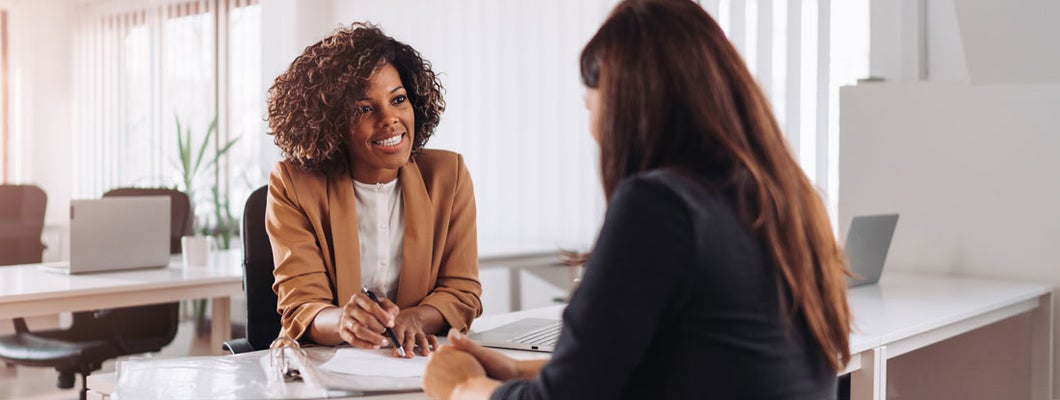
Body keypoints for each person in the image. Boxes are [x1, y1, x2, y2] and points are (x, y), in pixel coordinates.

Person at [423, 0, 851, 397]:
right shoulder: (786, 199)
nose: (593, 130)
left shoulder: (660, 207)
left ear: (625, 106)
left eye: (590, 106)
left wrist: (462, 386)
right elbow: (695, 363)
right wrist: (519, 370)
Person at [265, 23, 482, 358]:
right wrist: (343, 321)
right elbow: (303, 306)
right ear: (332, 122)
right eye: (364, 108)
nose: (389, 119)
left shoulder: (447, 175)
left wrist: (415, 318)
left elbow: (462, 291)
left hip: (415, 361)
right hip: (324, 365)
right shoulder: (292, 183)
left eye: (398, 100)